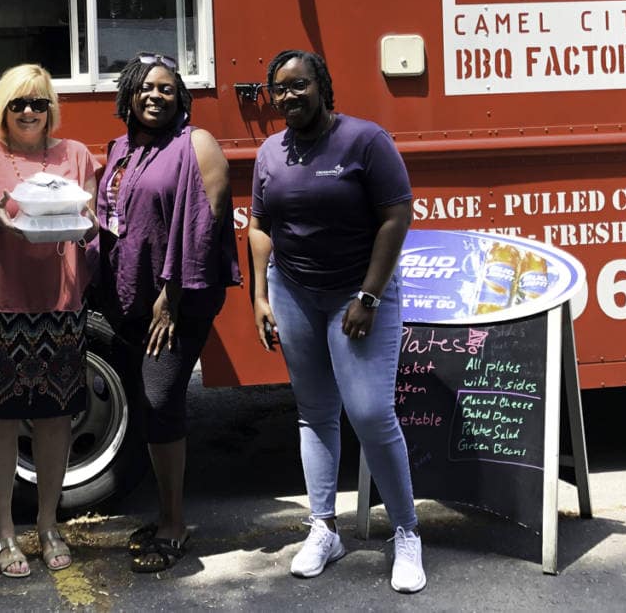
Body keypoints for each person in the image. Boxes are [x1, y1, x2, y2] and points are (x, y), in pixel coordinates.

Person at [248, 49, 425, 593]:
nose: (288, 97)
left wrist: (369, 296)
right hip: (295, 292)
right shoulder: (271, 152)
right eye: (279, 89)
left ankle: (406, 534)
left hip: (358, 293)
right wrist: (259, 295)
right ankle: (324, 528)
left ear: (322, 86)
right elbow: (259, 224)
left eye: (299, 86)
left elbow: (398, 215)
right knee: (314, 412)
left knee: (371, 413)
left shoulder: (365, 141)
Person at [95, 53, 241, 573]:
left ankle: (174, 525)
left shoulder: (194, 144)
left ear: (181, 97)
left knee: (160, 401)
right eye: (146, 88)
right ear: (129, 95)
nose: (156, 96)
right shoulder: (119, 149)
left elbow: (207, 224)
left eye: (167, 88)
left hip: (176, 302)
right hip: (129, 298)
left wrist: (170, 295)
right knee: (146, 400)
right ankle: (163, 512)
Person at [0, 64, 99, 578]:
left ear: (51, 107)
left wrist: (83, 226)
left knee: (57, 417)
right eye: (18, 103)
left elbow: (90, 224)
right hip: (1, 306)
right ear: (4, 110)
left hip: (60, 304)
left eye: (38, 102)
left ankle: (47, 523)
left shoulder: (76, 154)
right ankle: (2, 531)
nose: (30, 111)